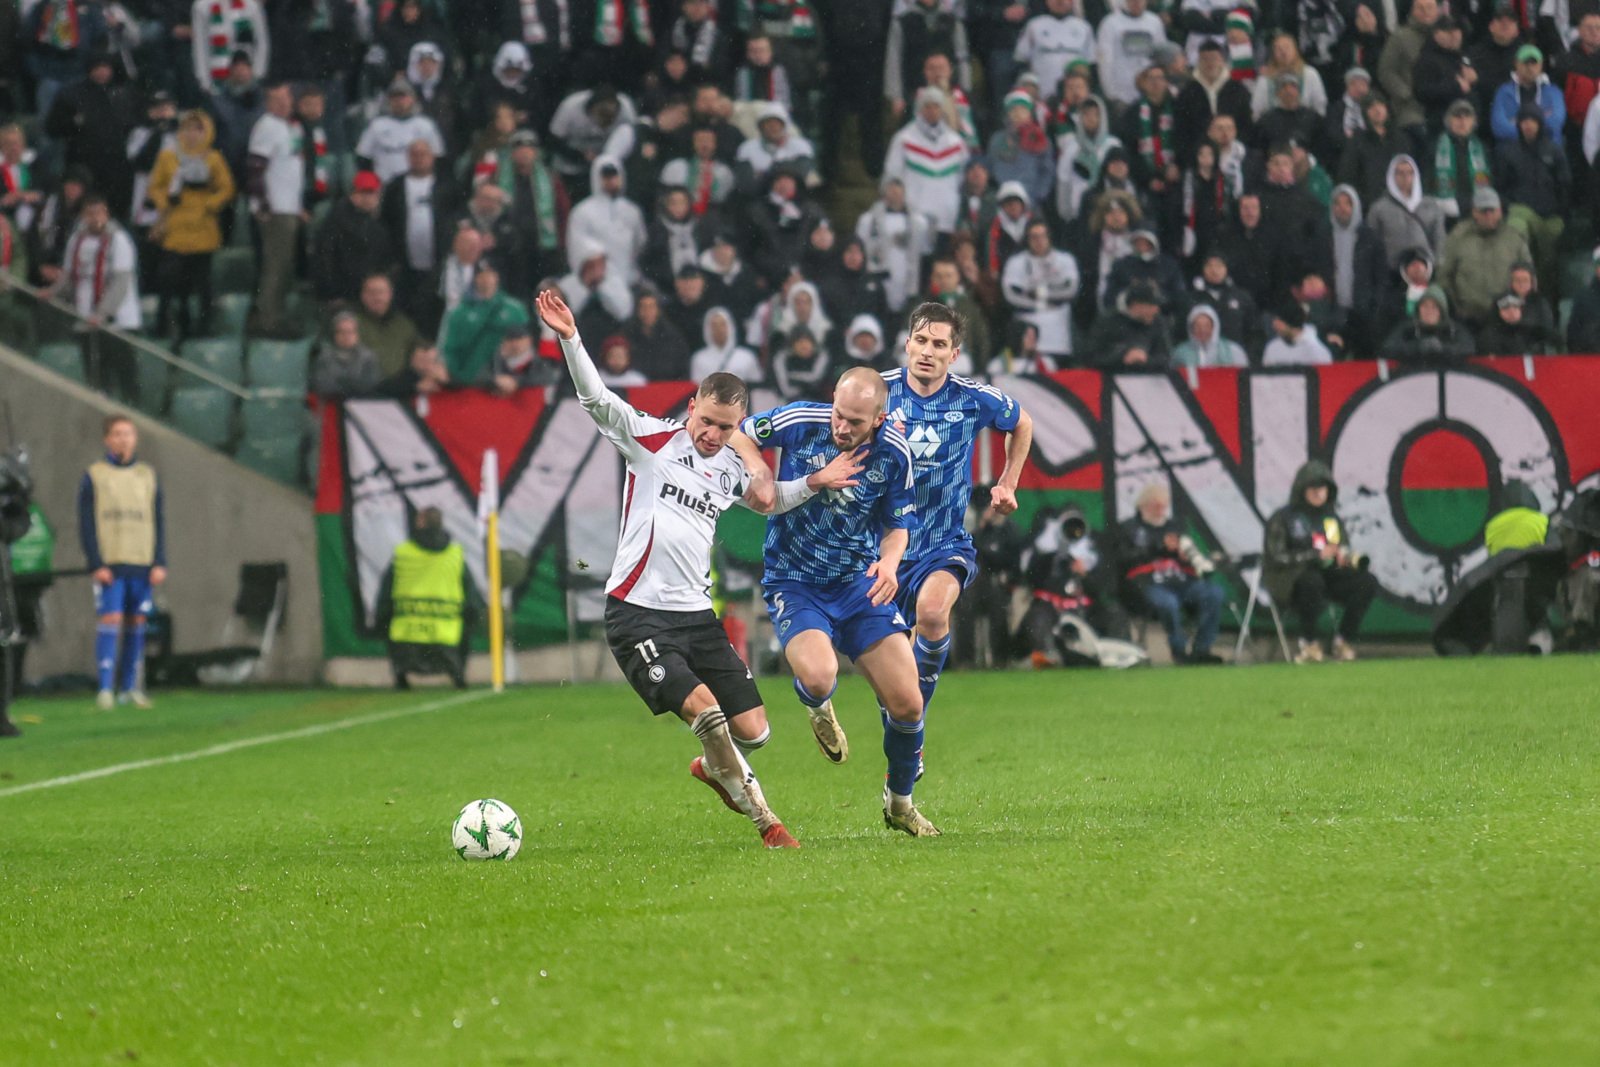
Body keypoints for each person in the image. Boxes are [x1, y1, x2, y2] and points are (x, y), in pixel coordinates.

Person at [537, 288, 841, 850]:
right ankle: (768, 823)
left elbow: (769, 501)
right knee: (709, 715)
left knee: (757, 731)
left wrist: (817, 483)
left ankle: (714, 767)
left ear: (737, 426)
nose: (711, 435)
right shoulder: (652, 440)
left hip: (696, 617)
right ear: (693, 405)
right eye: (705, 421)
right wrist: (570, 338)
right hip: (637, 616)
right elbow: (596, 398)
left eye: (725, 428)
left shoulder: (729, 468)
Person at [740, 368, 939, 836]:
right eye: (839, 414)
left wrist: (890, 564)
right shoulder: (802, 420)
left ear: (879, 418)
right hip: (794, 581)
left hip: (857, 582)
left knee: (909, 704)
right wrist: (760, 469)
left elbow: (898, 524)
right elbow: (743, 433)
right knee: (818, 673)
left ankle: (900, 803)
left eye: (854, 421)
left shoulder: (894, 452)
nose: (842, 427)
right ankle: (818, 707)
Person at [882, 301, 1032, 780]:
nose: (928, 352)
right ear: (907, 344)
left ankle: (913, 723)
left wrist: (1008, 482)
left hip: (944, 542)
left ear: (955, 353)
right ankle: (906, 731)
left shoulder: (973, 398)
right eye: (921, 341)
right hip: (884, 549)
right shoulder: (878, 392)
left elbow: (1021, 423)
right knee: (889, 680)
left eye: (939, 344)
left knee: (931, 613)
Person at [78, 415, 166, 710]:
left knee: (137, 623)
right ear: (107, 439)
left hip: (141, 561)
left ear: (135, 438)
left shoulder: (147, 475)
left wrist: (159, 560)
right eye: (117, 434)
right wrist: (95, 562)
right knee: (111, 620)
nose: (123, 439)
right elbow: (86, 522)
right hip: (111, 561)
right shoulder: (95, 475)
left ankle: (129, 687)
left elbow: (159, 520)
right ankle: (105, 688)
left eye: (128, 434)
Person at [1263, 460, 1379, 662]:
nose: (1318, 493)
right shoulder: (1284, 518)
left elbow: (1337, 547)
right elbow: (1276, 557)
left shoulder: (1330, 519)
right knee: (1311, 581)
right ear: (1301, 489)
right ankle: (1309, 643)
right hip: (1289, 579)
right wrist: (1314, 556)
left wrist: (1342, 558)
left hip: (1327, 576)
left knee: (1366, 582)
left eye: (1322, 488)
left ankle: (1343, 641)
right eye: (1313, 488)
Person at [147, 109, 234, 339]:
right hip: (175, 227)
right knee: (169, 280)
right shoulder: (168, 156)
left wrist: (210, 204)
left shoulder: (213, 158)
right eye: (187, 129)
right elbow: (155, 185)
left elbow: (226, 188)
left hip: (203, 229)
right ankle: (164, 324)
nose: (192, 134)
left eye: (198, 129)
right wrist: (165, 201)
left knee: (203, 283)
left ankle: (203, 328)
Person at [1116, 481, 1224, 664]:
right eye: (1156, 505)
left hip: (1181, 581)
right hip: (1148, 584)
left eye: (1163, 505)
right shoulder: (1129, 528)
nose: (1161, 510)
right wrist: (1158, 547)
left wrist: (1185, 555)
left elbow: (1191, 555)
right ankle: (1178, 650)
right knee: (1168, 602)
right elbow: (1123, 560)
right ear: (1143, 506)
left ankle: (1201, 648)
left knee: (1214, 593)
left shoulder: (1176, 526)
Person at [372, 506, 474, 690]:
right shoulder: (455, 555)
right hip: (446, 630)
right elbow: (469, 588)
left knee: (400, 650)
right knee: (455, 650)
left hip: (408, 630)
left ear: (420, 523)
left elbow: (387, 589)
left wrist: (381, 616)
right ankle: (458, 677)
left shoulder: (403, 554)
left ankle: (401, 678)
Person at [246, 81, 304, 339]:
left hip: (288, 205)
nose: (284, 104)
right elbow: (256, 166)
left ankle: (274, 315)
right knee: (275, 265)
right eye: (278, 100)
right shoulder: (267, 125)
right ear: (268, 103)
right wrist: (263, 202)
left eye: (287, 99)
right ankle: (267, 320)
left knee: (283, 265)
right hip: (275, 208)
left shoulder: (288, 127)